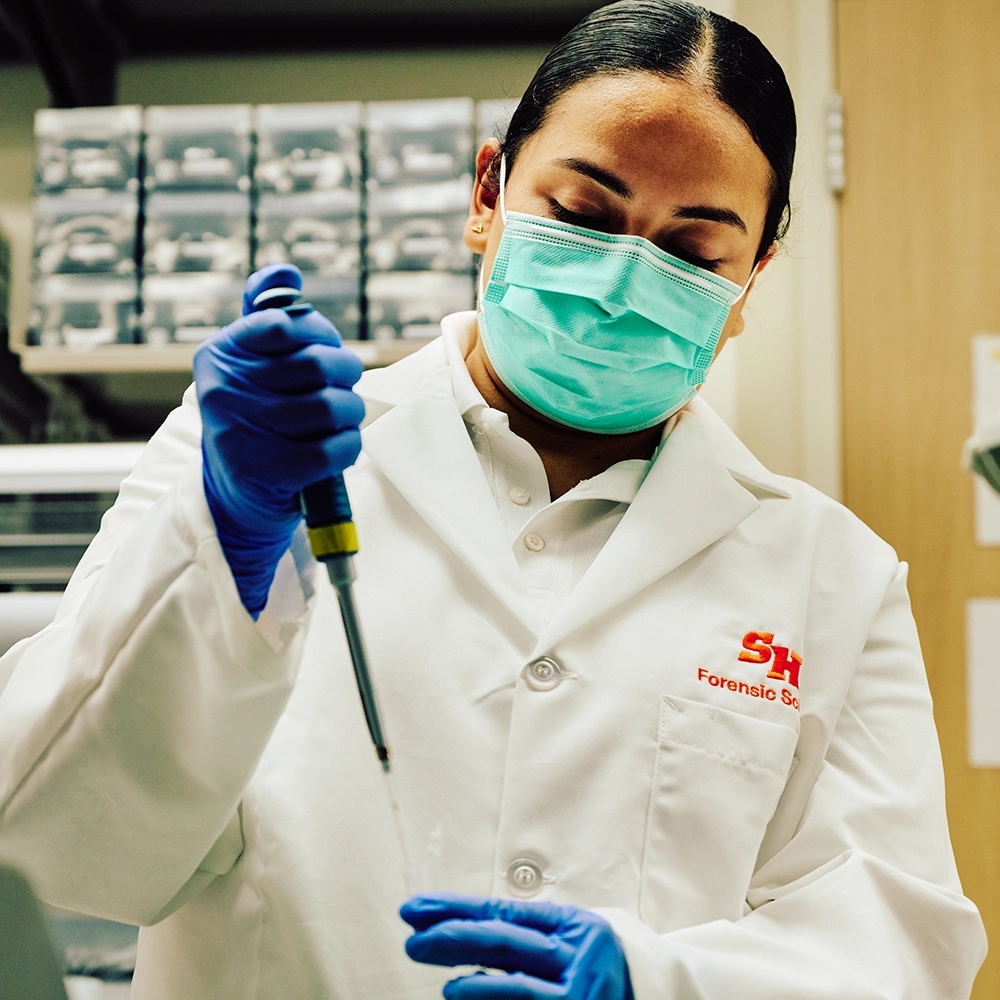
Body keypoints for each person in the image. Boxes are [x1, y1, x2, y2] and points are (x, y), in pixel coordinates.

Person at [0, 1, 986, 997]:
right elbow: (55, 844)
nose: (618, 282)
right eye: (584, 215)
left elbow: (897, 948)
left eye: (692, 253)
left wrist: (663, 983)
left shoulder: (832, 576)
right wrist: (219, 550)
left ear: (749, 281)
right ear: (488, 191)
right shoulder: (252, 466)